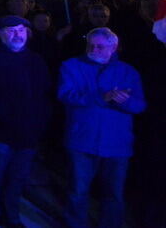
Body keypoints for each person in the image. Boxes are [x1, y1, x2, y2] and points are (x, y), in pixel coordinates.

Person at [58, 28, 145, 228]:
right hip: (82, 140)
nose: (94, 49)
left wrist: (125, 101)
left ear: (113, 47)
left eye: (100, 46)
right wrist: (101, 97)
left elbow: (140, 105)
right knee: (78, 191)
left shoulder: (128, 71)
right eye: (91, 45)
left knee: (113, 193)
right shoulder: (71, 66)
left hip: (117, 144)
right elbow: (65, 95)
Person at [0, 16, 52, 228]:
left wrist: (38, 123)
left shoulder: (35, 60)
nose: (17, 35)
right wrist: (8, 116)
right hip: (0, 131)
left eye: (21, 31)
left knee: (17, 179)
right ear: (1, 33)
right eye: (11, 31)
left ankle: (12, 216)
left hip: (27, 133)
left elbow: (44, 94)